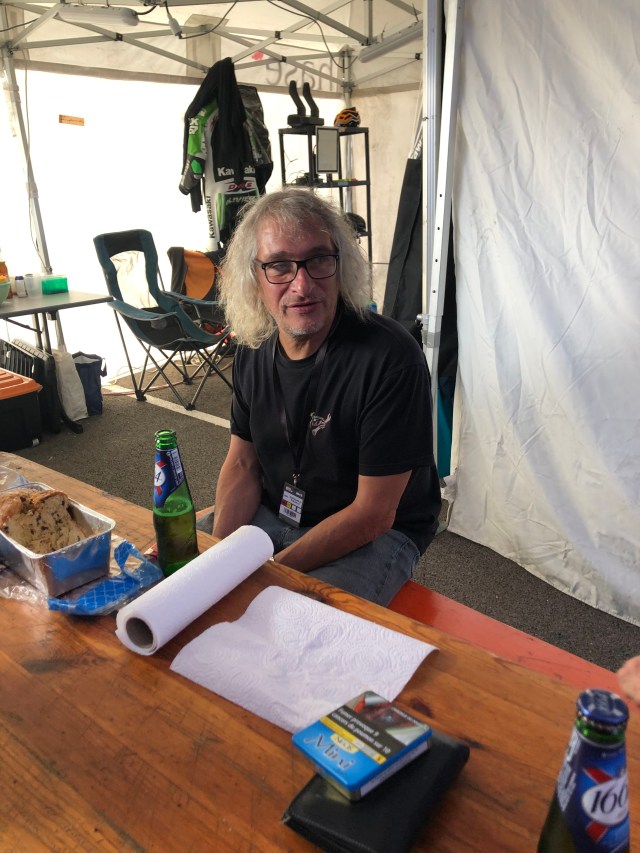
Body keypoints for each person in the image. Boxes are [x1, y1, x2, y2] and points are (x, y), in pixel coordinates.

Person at [200, 188, 441, 605]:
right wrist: (219, 559)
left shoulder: (390, 358)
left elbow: (373, 515)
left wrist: (265, 574)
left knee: (287, 618)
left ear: (340, 265)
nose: (303, 284)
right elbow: (242, 464)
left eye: (318, 260)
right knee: (179, 571)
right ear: (254, 278)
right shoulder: (254, 347)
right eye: (279, 265)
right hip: (274, 511)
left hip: (373, 534)